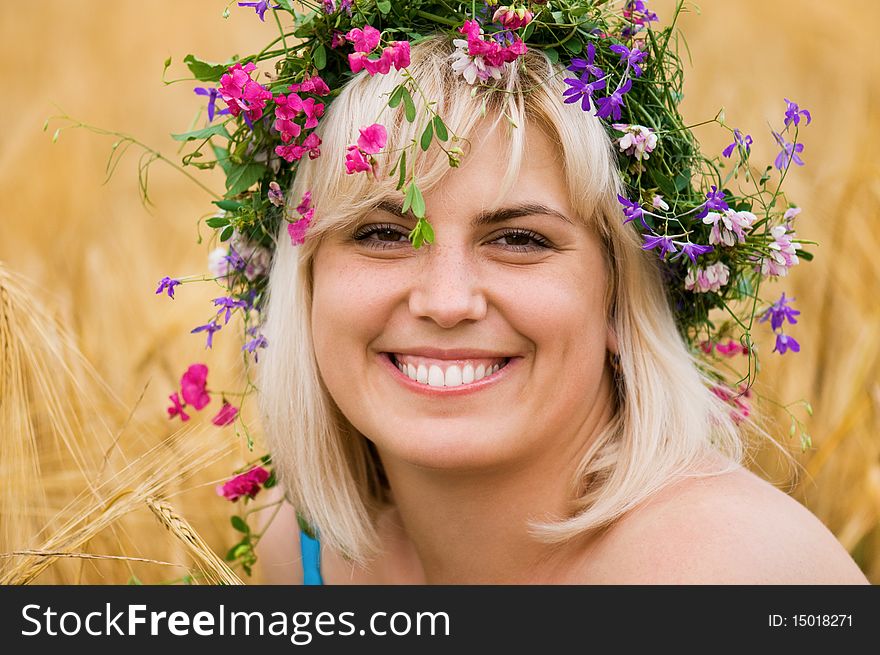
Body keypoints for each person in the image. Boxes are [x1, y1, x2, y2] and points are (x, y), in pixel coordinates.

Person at [254, 36, 867, 585]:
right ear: (306, 285)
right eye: (382, 234)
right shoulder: (306, 555)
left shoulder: (722, 574)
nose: (445, 302)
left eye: (519, 240)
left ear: (619, 300)